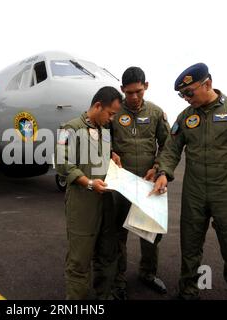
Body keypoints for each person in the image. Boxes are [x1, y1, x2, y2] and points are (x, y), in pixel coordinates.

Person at [150, 63, 227, 300]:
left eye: (189, 92)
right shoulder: (186, 117)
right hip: (194, 192)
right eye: (181, 94)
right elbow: (171, 150)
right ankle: (188, 292)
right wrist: (163, 173)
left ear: (207, 84)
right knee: (190, 247)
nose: (186, 99)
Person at [55, 86, 122, 299]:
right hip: (83, 204)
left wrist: (112, 155)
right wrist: (89, 183)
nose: (111, 119)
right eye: (110, 114)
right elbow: (62, 162)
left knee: (107, 255)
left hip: (105, 203)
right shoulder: (70, 128)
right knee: (79, 260)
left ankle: (104, 296)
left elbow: (96, 154)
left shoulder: (104, 131)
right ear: (97, 106)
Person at [109, 67, 170, 299]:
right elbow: (102, 140)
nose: (134, 97)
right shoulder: (114, 112)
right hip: (120, 183)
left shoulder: (156, 113)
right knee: (118, 235)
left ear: (146, 86)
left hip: (148, 183)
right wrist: (110, 153)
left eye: (139, 91)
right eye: (129, 92)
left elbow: (168, 146)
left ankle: (148, 273)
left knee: (149, 232)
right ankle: (118, 281)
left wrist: (157, 168)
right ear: (122, 90)